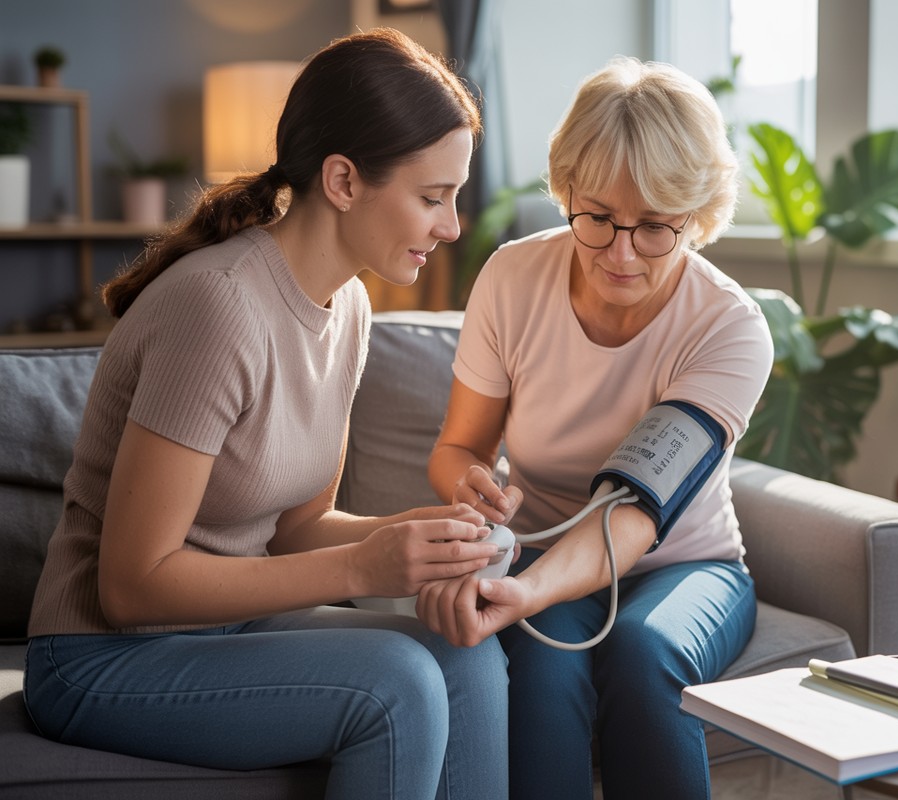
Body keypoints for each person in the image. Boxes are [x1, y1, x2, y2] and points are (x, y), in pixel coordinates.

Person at [24, 29, 508, 800]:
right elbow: (131, 586)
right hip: (101, 655)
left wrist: (420, 538)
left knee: (466, 652)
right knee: (397, 682)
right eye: (431, 197)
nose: (451, 226)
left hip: (229, 632)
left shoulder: (347, 304)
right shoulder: (218, 307)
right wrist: (361, 567)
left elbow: (294, 527)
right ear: (343, 181)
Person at [421, 56, 774, 799]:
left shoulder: (728, 328)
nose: (619, 253)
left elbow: (637, 513)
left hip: (686, 565)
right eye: (599, 218)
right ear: (567, 192)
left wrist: (532, 591)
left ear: (698, 214)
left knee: (643, 653)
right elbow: (458, 449)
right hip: (543, 547)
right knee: (545, 667)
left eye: (654, 229)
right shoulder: (513, 280)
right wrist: (474, 486)